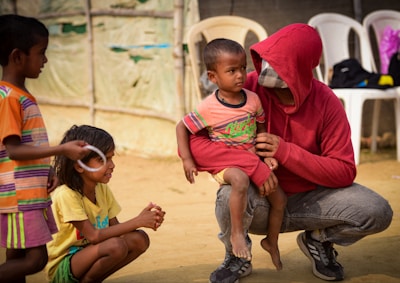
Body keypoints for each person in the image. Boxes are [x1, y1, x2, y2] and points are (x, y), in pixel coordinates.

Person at [189, 23, 393, 283]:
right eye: (267, 66)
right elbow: (197, 144)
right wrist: (253, 168)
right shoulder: (247, 89)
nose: (269, 85)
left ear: (301, 72)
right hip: (260, 200)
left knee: (376, 211)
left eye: (283, 77)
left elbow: (344, 171)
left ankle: (317, 240)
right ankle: (237, 256)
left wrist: (286, 152)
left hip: (313, 202)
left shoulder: (326, 101)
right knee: (230, 191)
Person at [176, 38, 287, 269]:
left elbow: (260, 128)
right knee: (239, 179)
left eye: (243, 68)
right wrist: (187, 159)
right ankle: (237, 234)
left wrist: (266, 156)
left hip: (252, 159)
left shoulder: (253, 99)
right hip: (227, 165)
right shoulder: (209, 107)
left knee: (280, 199)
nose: (240, 75)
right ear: (213, 77)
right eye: (231, 70)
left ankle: (271, 242)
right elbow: (182, 127)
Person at [0, 15, 91, 283]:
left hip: (26, 191)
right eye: (41, 53)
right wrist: (61, 149)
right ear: (18, 56)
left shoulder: (19, 96)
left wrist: (46, 171)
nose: (45, 60)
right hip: (18, 196)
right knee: (35, 259)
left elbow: (26, 147)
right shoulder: (9, 98)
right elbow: (14, 151)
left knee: (16, 257)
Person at [44, 124, 166, 283]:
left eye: (111, 158)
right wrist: (138, 220)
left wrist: (148, 219)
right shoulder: (66, 194)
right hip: (64, 266)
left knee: (139, 239)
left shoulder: (102, 189)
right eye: (103, 159)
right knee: (115, 246)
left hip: (93, 253)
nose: (112, 165)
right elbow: (94, 236)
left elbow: (116, 230)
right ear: (79, 166)